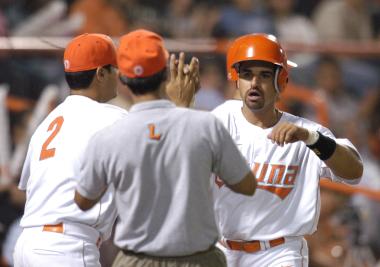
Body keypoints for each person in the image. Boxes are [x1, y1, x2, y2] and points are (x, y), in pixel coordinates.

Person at [74, 29, 257, 267]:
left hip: (136, 259)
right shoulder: (204, 124)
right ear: (165, 74)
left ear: (123, 79)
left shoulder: (108, 137)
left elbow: (84, 200)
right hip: (199, 260)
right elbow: (246, 185)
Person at [12, 32, 196, 267]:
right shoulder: (108, 116)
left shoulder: (47, 123)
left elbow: (30, 188)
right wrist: (179, 106)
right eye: (114, 68)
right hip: (66, 247)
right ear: (100, 74)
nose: (119, 74)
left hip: (28, 244)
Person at [211, 33, 364, 267]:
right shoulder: (221, 120)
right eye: (247, 74)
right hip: (223, 250)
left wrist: (311, 139)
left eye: (263, 75)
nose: (254, 83)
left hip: (278, 253)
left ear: (280, 81)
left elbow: (354, 171)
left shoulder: (305, 131)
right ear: (236, 80)